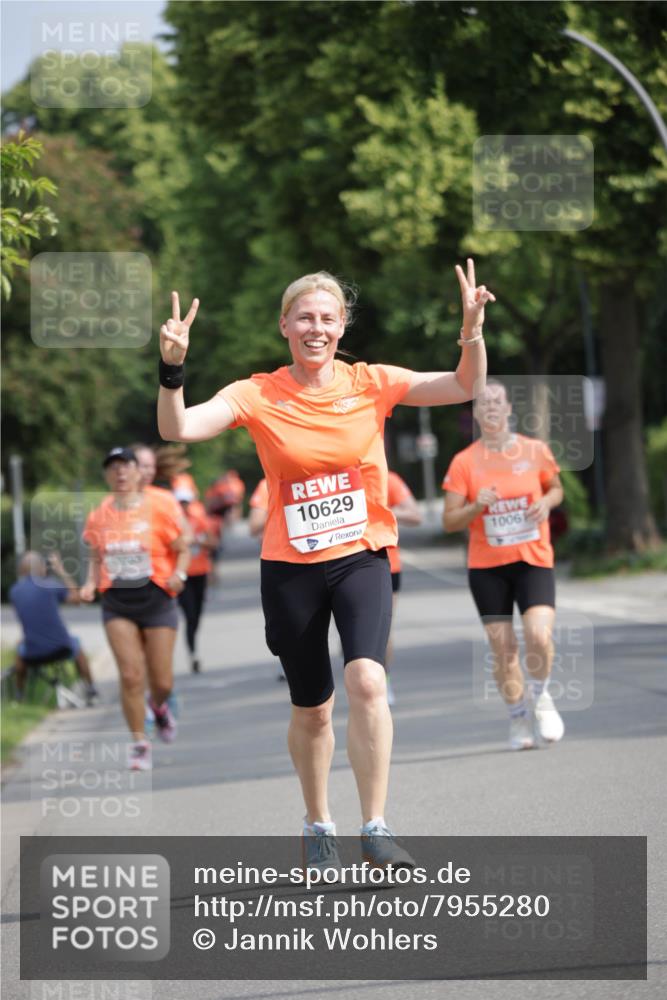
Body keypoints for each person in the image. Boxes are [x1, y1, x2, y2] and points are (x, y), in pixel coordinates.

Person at [157, 260, 492, 869]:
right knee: (312, 707)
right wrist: (173, 367)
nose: (317, 328)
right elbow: (176, 427)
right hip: (291, 565)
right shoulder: (255, 393)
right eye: (305, 317)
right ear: (285, 325)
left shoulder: (372, 382)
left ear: (342, 327)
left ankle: (376, 826)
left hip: (361, 553)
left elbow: (463, 385)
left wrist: (472, 329)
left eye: (328, 318)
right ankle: (318, 822)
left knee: (368, 679)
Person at [442, 380, 565, 751]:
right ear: (476, 414)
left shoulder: (535, 450)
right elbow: (449, 521)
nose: (491, 407)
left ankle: (541, 696)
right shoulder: (464, 462)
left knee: (540, 636)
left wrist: (547, 503)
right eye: (483, 403)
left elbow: (555, 488)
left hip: (533, 559)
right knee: (504, 649)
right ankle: (517, 719)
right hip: (488, 567)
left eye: (498, 401)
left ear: (509, 409)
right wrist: (475, 506)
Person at [80, 447, 190, 770]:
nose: (120, 473)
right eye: (112, 468)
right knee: (130, 676)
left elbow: (182, 548)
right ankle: (140, 743)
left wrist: (179, 574)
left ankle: (159, 708)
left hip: (157, 598)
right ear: (106, 475)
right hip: (117, 602)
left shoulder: (158, 506)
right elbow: (96, 556)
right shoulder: (99, 514)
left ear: (137, 471)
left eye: (125, 466)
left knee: (162, 682)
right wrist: (89, 583)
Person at [9, 551, 97, 705]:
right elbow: (77, 599)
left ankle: (19, 696)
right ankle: (91, 689)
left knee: (19, 652)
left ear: (21, 571)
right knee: (77, 646)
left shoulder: (14, 592)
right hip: (62, 647)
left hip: (32, 652)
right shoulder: (50, 584)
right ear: (42, 568)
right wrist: (60, 569)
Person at [385, 471, 422, 704]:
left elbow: (415, 515)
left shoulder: (387, 478)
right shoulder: (330, 476)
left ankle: (382, 681)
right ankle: (362, 678)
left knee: (382, 628)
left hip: (385, 565)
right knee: (348, 633)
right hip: (339, 564)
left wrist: (384, 510)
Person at [174, 484, 217, 673]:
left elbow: (213, 543)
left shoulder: (199, 520)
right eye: (180, 502)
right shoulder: (171, 522)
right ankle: (193, 654)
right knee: (190, 614)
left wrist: (198, 540)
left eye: (186, 502)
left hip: (200, 573)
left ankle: (193, 648)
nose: (183, 505)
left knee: (196, 616)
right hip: (182, 576)